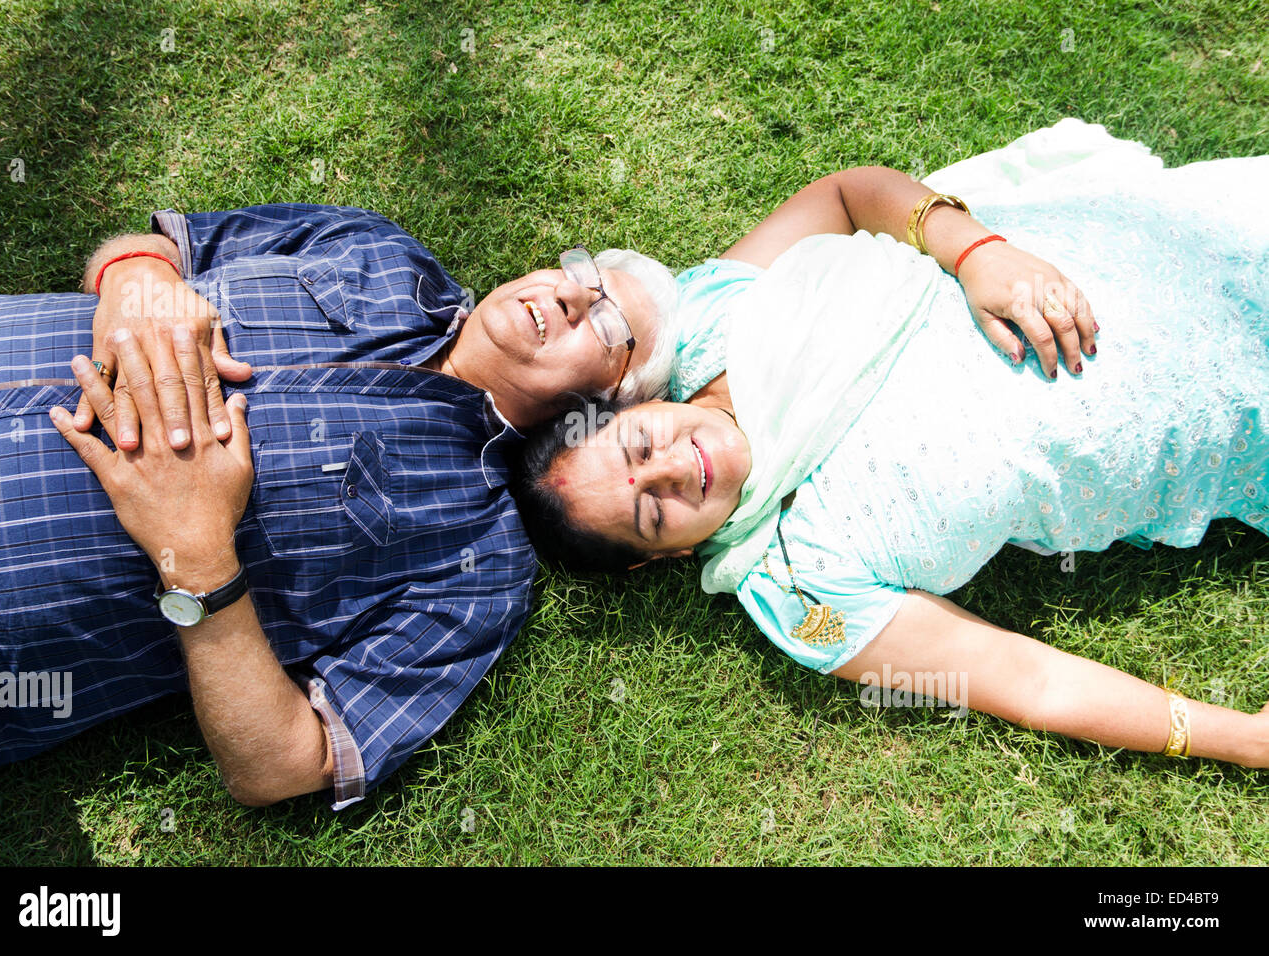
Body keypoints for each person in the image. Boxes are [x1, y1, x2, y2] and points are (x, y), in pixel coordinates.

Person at [515, 120, 1269, 769]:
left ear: (628, 408)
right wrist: (1240, 738)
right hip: (1234, 421)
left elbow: (846, 195)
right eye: (654, 512)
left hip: (1183, 245)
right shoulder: (798, 587)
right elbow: (1021, 677)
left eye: (640, 448)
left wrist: (978, 254)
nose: (678, 467)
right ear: (668, 556)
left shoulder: (714, 317)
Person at [0, 202, 680, 807]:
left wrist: (198, 555)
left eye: (608, 322)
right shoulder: (378, 248)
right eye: (582, 272)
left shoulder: (481, 566)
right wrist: (134, 281)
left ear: (604, 408)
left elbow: (285, 766)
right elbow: (160, 246)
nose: (570, 294)